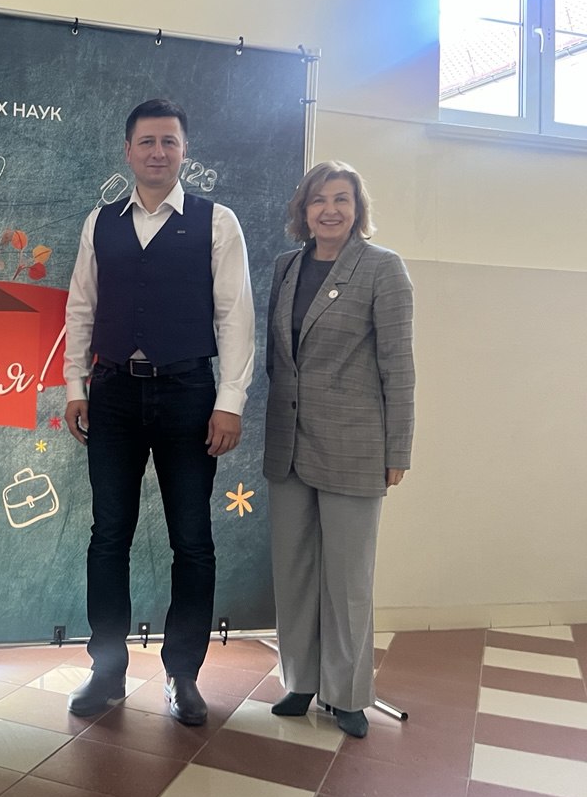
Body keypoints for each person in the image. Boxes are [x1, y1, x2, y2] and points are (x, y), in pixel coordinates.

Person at [63, 98, 254, 725]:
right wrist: (74, 385)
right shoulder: (101, 223)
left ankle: (183, 675)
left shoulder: (217, 222)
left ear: (184, 150)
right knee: (108, 536)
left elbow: (235, 317)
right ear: (128, 150)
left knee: (192, 541)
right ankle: (106, 671)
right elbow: (81, 307)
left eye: (169, 141)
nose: (157, 151)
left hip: (188, 394)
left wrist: (229, 402)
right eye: (146, 141)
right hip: (113, 392)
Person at [262, 160, 414, 738]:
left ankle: (347, 694)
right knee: (294, 570)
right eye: (318, 199)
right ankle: (301, 681)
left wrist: (398, 448)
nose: (329, 209)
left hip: (356, 446)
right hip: (289, 444)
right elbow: (279, 358)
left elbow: (399, 366)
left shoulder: (383, 269)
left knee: (348, 578)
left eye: (342, 199)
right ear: (303, 211)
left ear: (357, 209)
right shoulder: (285, 267)